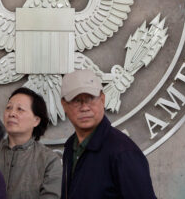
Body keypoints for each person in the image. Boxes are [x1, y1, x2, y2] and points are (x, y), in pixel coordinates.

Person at [60, 69, 156, 199]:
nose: (85, 108)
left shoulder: (123, 153)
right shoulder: (71, 147)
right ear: (64, 105)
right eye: (76, 101)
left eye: (90, 98)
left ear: (102, 99)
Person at [0, 87, 61, 198]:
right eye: (8, 108)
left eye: (20, 109)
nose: (12, 113)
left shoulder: (49, 160)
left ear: (36, 120)